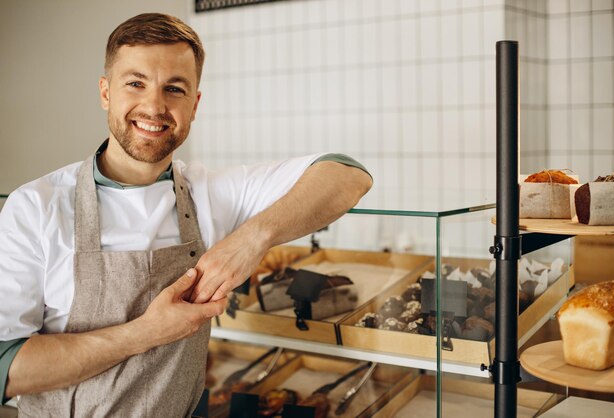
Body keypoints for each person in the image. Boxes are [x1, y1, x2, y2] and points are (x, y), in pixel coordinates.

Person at [0, 12, 372, 417]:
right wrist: (145, 333)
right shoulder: (37, 205)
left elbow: (347, 175)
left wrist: (250, 240)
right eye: (135, 83)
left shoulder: (211, 192)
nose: (154, 106)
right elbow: (6, 368)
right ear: (106, 92)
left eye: (173, 88)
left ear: (194, 104)